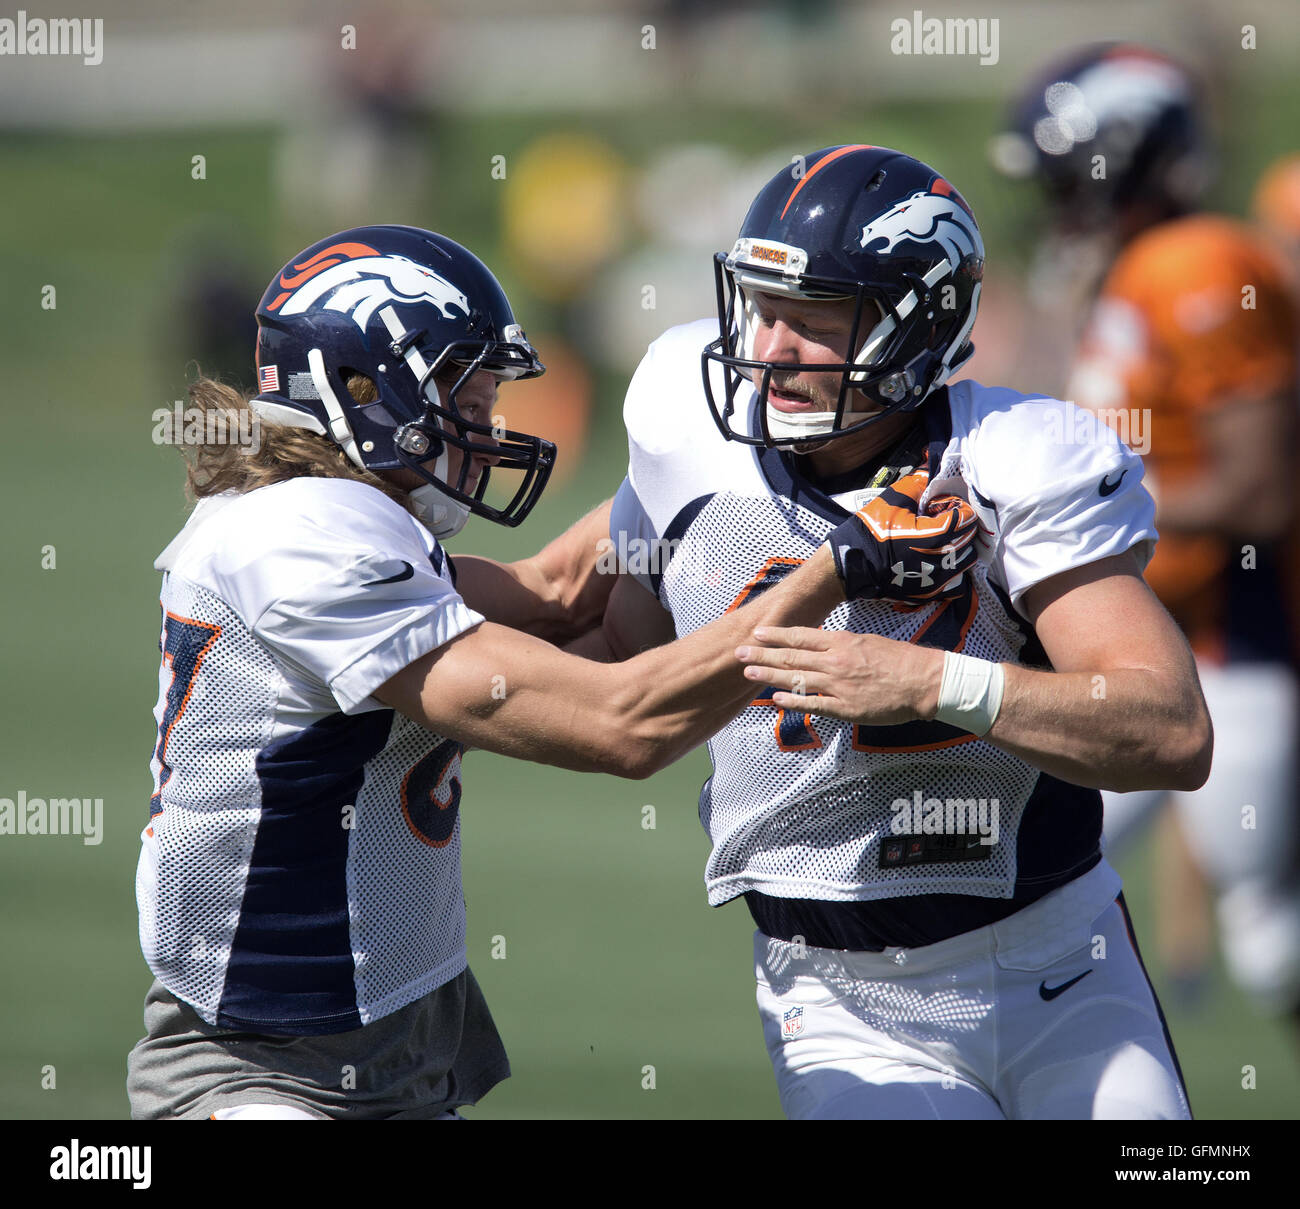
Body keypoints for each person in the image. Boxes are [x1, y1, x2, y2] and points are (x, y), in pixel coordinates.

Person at [501, 145, 1212, 1119]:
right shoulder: (684, 422)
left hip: (1057, 963)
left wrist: (931, 683)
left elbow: (1169, 729)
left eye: (817, 317)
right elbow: (615, 642)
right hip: (839, 994)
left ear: (918, 323)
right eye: (761, 305)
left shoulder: (1011, 458)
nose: (771, 347)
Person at [128, 223, 898, 1120]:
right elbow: (622, 723)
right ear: (361, 387)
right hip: (260, 1064)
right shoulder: (298, 541)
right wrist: (841, 566)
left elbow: (558, 593)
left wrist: (710, 475)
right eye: (467, 391)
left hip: (397, 1035)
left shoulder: (339, 510)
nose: (490, 424)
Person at [995, 44, 1300, 1022]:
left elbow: (1259, 494)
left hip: (1229, 645)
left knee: (1267, 932)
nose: (1053, 199)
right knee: (1012, 862)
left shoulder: (1201, 263)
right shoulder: (1138, 268)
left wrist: (1078, 503)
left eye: (1062, 172)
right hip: (1138, 642)